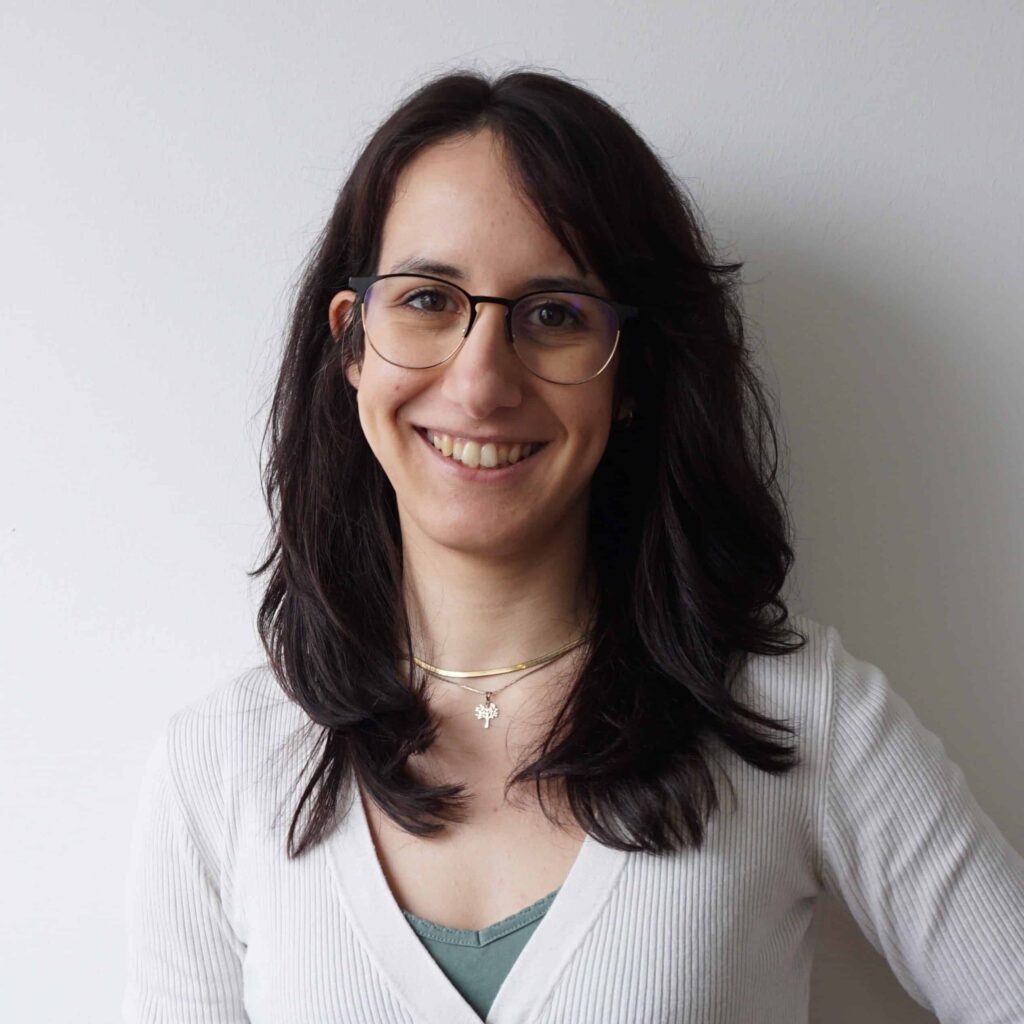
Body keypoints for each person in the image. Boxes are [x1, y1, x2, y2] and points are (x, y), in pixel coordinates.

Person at [122, 69, 1024, 1023]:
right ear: (353, 344)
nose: (480, 383)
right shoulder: (218, 764)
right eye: (427, 299)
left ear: (630, 375)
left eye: (553, 313)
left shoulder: (799, 720)